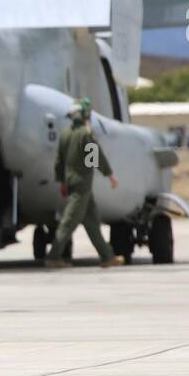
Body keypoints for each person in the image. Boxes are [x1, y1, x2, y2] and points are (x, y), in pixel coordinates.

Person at [45, 98, 123, 269]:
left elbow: (59, 161)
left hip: (72, 183)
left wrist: (62, 182)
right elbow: (94, 158)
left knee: (92, 222)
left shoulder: (65, 134)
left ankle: (107, 257)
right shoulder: (85, 134)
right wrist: (109, 174)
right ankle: (53, 256)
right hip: (82, 185)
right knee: (69, 221)